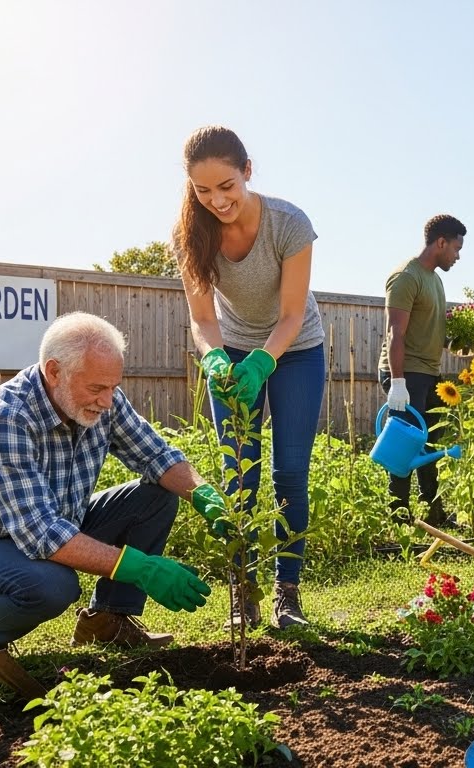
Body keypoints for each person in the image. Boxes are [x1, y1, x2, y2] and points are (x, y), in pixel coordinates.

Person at [0, 312, 216, 650]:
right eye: (96, 388)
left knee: (156, 497)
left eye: (113, 387)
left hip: (52, 526)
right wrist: (140, 568)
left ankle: (107, 623)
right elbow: (39, 533)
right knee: (53, 585)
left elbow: (156, 457)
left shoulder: (103, 402)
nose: (107, 401)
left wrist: (204, 494)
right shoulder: (5, 418)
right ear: (54, 372)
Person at [174, 125, 325, 630]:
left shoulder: (289, 224)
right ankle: (244, 591)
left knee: (289, 473)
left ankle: (288, 594)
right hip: (231, 347)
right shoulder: (190, 233)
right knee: (240, 473)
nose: (216, 200)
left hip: (296, 350)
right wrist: (217, 359)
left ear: (247, 172)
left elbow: (289, 315)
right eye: (202, 190)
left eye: (226, 186)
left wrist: (264, 362)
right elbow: (202, 318)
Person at [378, 214, 466, 526]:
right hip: (405, 372)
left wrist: (460, 341)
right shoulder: (406, 277)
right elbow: (395, 334)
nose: (457, 256)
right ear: (440, 242)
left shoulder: (436, 280)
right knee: (403, 443)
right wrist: (397, 382)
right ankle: (398, 514)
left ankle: (434, 512)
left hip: (428, 373)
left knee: (432, 444)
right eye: (456, 248)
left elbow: (432, 330)